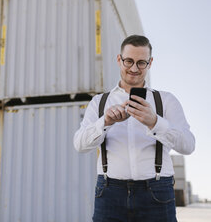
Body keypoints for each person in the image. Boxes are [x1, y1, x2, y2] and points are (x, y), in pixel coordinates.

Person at [73, 35, 195, 222]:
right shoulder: (99, 102)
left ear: (150, 63)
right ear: (119, 59)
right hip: (109, 193)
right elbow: (79, 144)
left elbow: (188, 145)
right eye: (128, 61)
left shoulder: (166, 101)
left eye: (141, 63)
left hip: (157, 193)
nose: (134, 68)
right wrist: (104, 122)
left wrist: (155, 122)